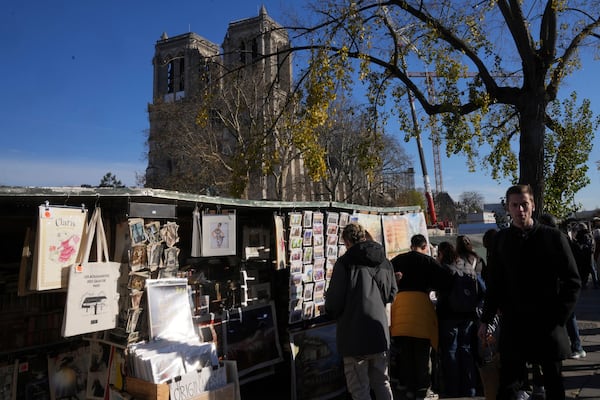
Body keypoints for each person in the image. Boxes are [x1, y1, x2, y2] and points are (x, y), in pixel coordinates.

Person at [478, 184, 581, 400]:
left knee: (553, 385)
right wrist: (486, 319)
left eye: (524, 204)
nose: (520, 210)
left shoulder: (553, 237)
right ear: (508, 208)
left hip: (547, 324)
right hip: (515, 324)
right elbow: (495, 284)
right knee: (508, 386)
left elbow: (572, 281)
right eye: (515, 205)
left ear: (533, 205)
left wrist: (559, 316)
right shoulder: (500, 241)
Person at [325, 222, 398, 400]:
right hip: (379, 332)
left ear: (347, 241)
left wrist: (330, 310)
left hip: (354, 335)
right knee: (382, 382)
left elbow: (334, 302)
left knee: (359, 388)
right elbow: (391, 294)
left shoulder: (344, 263)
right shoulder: (384, 260)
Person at [390, 234, 452, 400]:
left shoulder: (397, 260)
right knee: (422, 355)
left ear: (411, 245)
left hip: (400, 310)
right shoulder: (428, 261)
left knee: (405, 354)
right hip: (420, 311)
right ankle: (423, 391)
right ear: (425, 247)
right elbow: (446, 279)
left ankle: (408, 389)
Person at [435, 241, 479, 397]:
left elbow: (438, 291)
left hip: (449, 316)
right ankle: (470, 388)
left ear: (441, 254)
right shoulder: (468, 267)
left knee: (451, 352)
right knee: (466, 351)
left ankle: (453, 390)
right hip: (468, 316)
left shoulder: (445, 270)